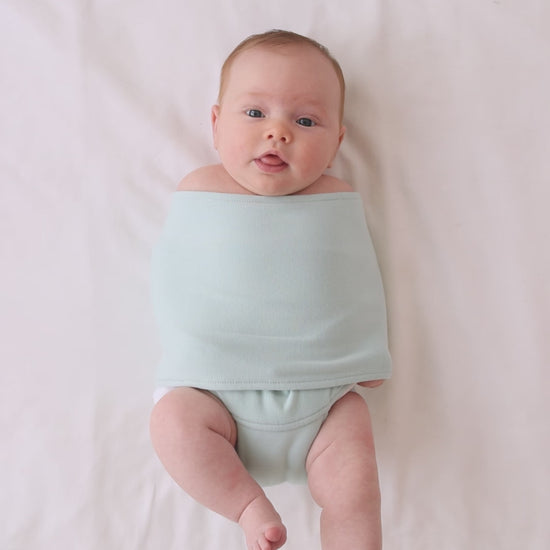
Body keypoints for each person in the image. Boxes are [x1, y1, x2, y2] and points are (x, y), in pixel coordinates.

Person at [149, 30, 391, 550]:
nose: (277, 132)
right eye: (255, 113)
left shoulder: (336, 198)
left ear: (337, 143)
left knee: (355, 490)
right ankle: (246, 506)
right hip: (214, 394)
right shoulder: (199, 189)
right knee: (171, 422)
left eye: (305, 121)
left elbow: (359, 284)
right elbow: (172, 280)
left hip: (324, 399)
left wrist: (368, 354)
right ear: (216, 124)